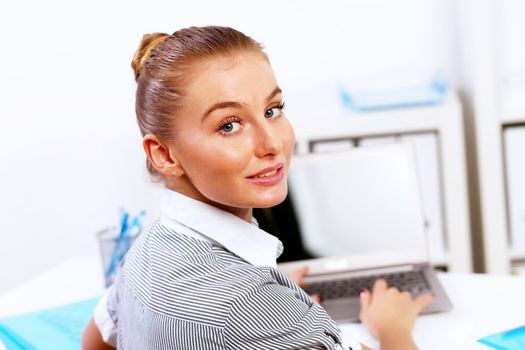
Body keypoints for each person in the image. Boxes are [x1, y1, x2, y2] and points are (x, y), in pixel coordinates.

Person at [82, 26, 434, 350]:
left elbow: (94, 341)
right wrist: (393, 328)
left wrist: (270, 291)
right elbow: (234, 317)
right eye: (229, 125)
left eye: (272, 109)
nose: (271, 144)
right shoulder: (250, 309)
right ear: (164, 155)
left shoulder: (147, 251)